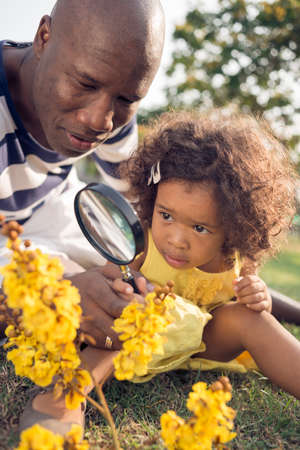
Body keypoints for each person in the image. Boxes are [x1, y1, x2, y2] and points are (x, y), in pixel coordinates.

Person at [0, 0, 165, 436]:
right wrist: (42, 296)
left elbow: (140, 218)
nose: (100, 120)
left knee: (126, 284)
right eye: (84, 83)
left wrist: (125, 272)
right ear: (43, 37)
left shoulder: (114, 118)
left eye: (126, 99)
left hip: (45, 214)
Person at [107, 109, 300, 399]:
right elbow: (110, 274)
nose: (176, 239)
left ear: (233, 227)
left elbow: (248, 298)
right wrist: (131, 283)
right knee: (110, 321)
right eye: (166, 215)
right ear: (153, 197)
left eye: (199, 227)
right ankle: (64, 400)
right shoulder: (141, 240)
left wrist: (257, 294)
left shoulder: (232, 256)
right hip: (145, 337)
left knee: (255, 321)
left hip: (204, 342)